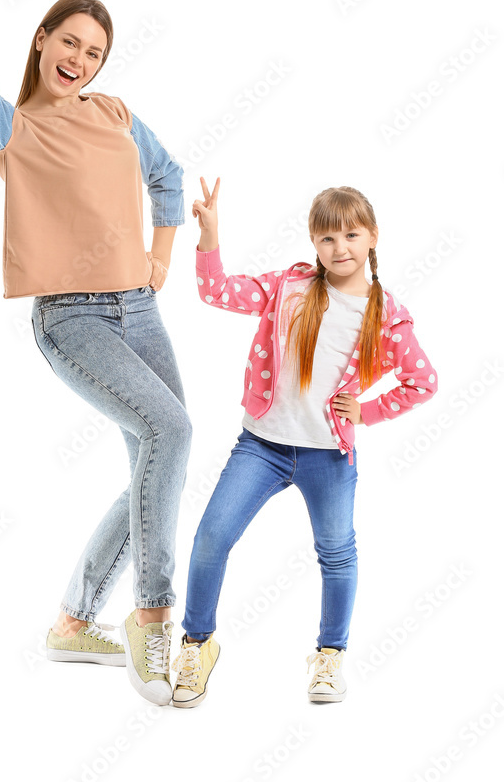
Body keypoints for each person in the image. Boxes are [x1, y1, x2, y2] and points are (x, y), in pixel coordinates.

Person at [0, 0, 191, 705]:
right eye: (69, 41)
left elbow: (166, 175)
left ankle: (73, 622)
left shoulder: (115, 112)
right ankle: (151, 622)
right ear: (43, 41)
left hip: (138, 307)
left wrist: (159, 260)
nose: (79, 58)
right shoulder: (11, 128)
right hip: (71, 318)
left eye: (94, 50)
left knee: (161, 454)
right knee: (170, 431)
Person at [169, 177, 438, 706]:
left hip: (329, 458)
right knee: (210, 540)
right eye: (327, 239)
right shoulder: (288, 287)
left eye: (351, 236)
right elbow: (216, 291)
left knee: (337, 553)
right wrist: (210, 236)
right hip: (261, 447)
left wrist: (368, 410)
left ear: (373, 238)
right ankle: (197, 643)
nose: (340, 249)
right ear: (313, 245)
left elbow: (423, 381)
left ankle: (330, 655)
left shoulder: (386, 315)